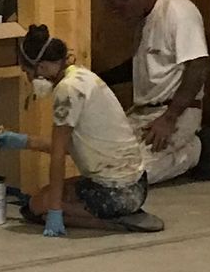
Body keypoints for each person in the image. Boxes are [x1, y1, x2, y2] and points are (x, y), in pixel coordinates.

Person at [12, 27, 164, 234]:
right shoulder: (82, 75)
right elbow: (70, 146)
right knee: (41, 198)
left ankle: (113, 222)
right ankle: (117, 212)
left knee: (38, 207)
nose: (30, 79)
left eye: (28, 72)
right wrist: (25, 142)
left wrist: (55, 210)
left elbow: (58, 156)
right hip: (135, 184)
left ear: (41, 66)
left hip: (116, 193)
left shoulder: (67, 90)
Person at [99, 0, 210, 184]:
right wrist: (99, 79)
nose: (119, 16)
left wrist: (169, 118)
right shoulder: (144, 19)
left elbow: (198, 66)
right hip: (142, 112)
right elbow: (143, 65)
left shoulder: (178, 12)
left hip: (175, 112)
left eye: (119, 9)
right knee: (103, 160)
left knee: (131, 175)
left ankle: (195, 151)